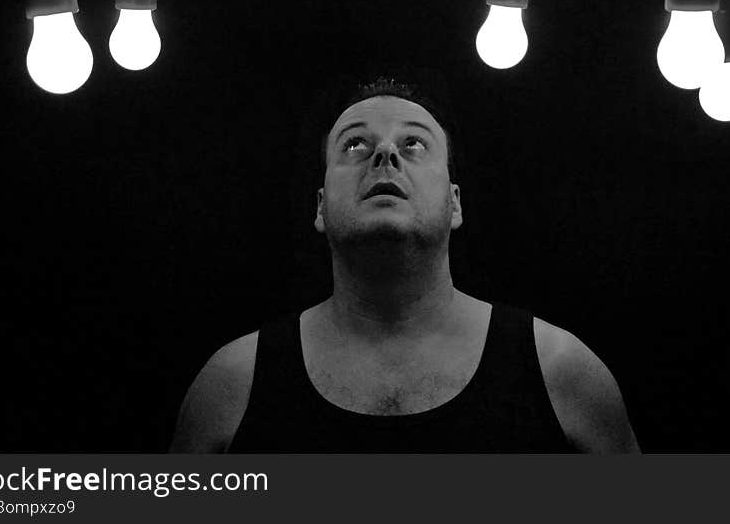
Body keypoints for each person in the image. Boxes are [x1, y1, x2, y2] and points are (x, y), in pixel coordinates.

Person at [169, 75, 640, 453]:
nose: (385, 154)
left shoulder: (563, 372)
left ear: (454, 203)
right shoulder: (231, 384)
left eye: (414, 144)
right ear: (319, 206)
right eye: (354, 145)